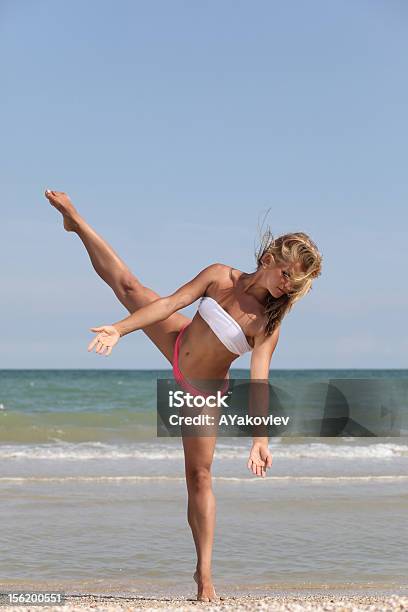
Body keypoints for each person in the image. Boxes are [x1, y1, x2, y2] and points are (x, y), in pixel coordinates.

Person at [44, 189, 322, 602]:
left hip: (201, 393)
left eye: (295, 284)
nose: (287, 287)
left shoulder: (267, 323)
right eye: (287, 275)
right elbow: (173, 302)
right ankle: (77, 223)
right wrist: (119, 329)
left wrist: (260, 440)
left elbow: (259, 381)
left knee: (199, 477)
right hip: (176, 340)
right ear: (269, 260)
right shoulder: (219, 276)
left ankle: (204, 576)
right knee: (129, 284)